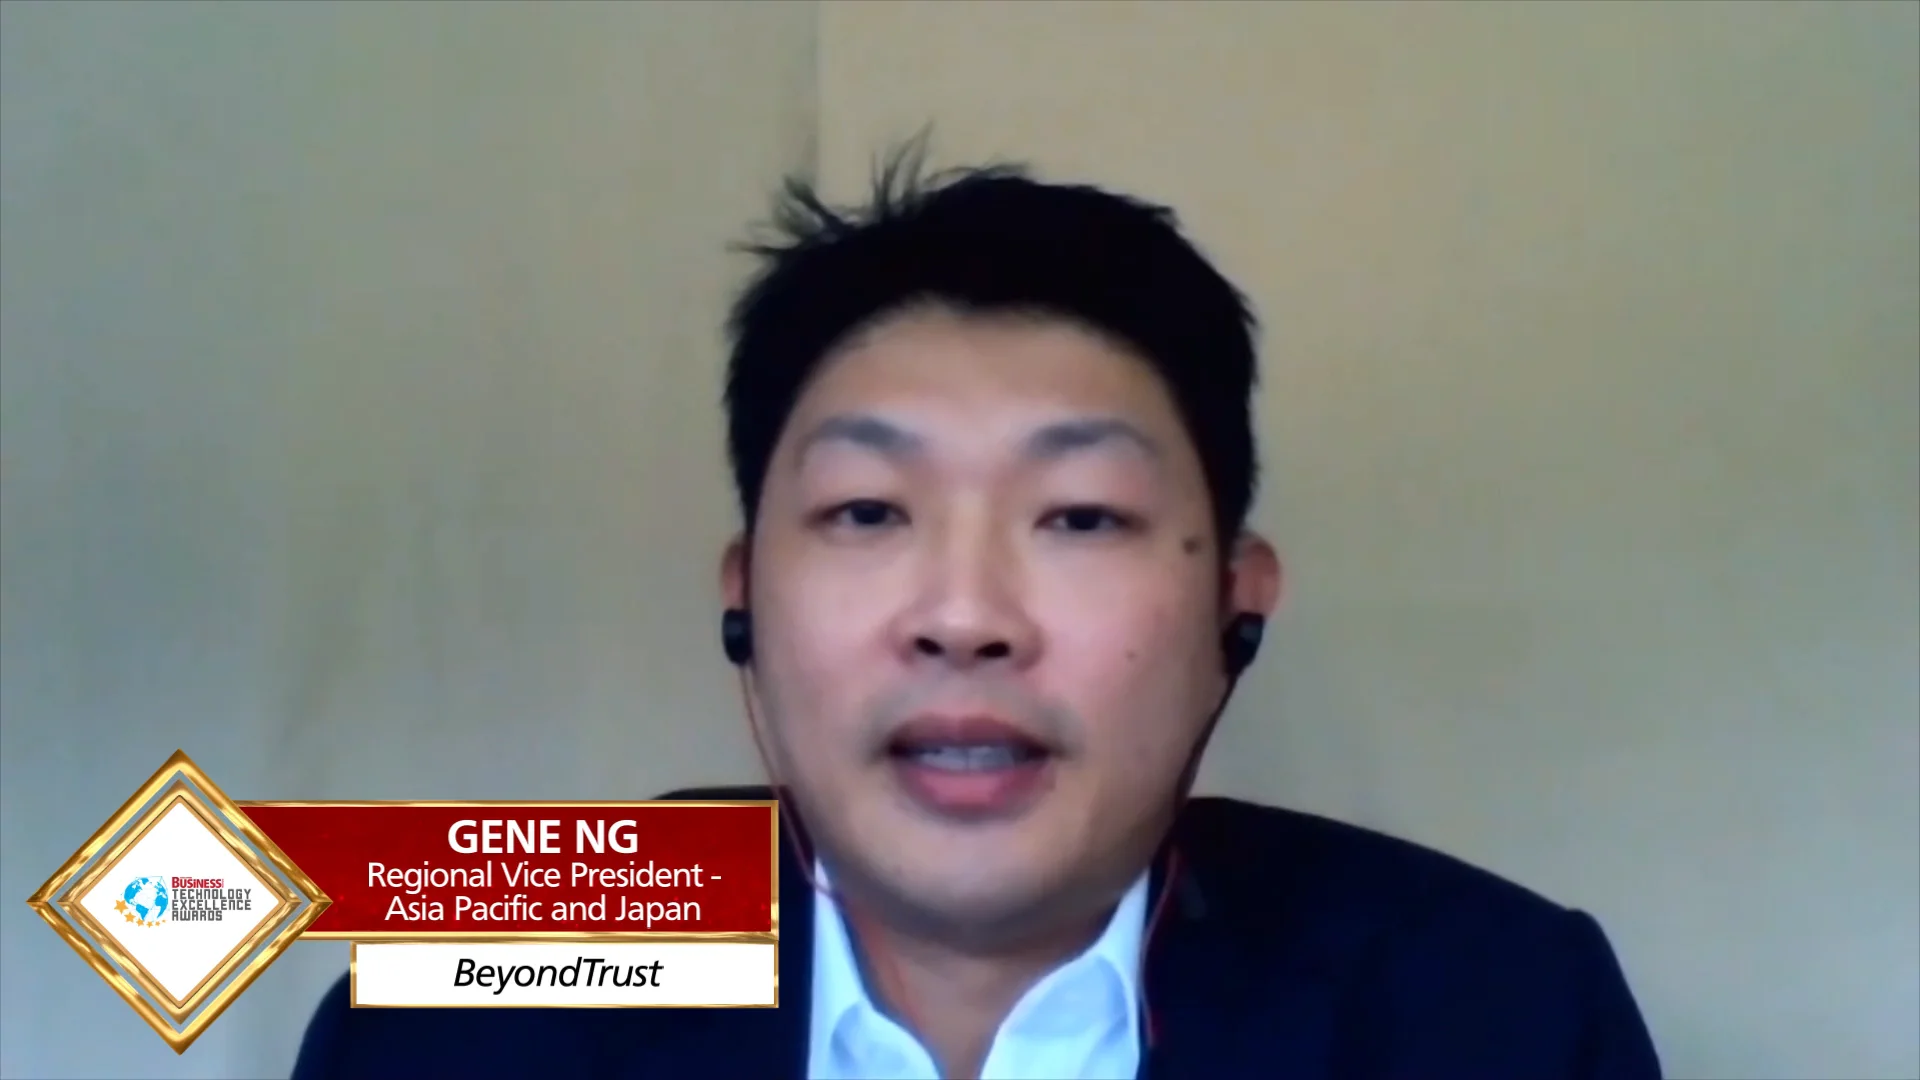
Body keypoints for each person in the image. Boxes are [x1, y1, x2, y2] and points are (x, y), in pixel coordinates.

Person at [292, 147, 1663, 1080]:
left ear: (1233, 611)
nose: (963, 617)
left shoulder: (1500, 1014)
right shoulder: (474, 1002)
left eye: (1081, 517)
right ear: (744, 602)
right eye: (866, 512)